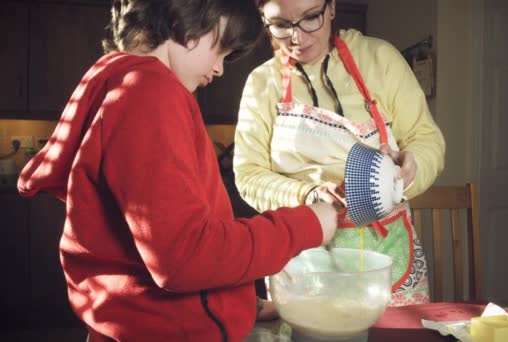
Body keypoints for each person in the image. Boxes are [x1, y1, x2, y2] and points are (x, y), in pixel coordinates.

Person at [17, 0, 338, 341]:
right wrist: (309, 224)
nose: (219, 70)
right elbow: (184, 258)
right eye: (221, 48)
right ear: (190, 13)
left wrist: (237, 300)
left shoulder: (119, 82)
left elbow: (146, 244)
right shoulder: (150, 93)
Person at [234, 0, 446, 309]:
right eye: (280, 25)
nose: (297, 37)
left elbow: (427, 140)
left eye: (310, 18)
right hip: (302, 255)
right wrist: (306, 194)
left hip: (387, 252)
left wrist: (412, 168)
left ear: (331, 7)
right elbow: (248, 174)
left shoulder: (380, 59)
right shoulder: (262, 83)